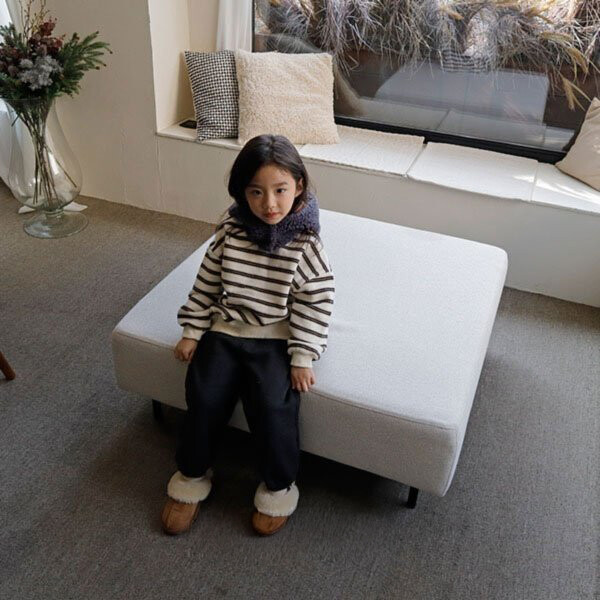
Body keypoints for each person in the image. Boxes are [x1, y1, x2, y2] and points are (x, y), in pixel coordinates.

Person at [161, 134, 335, 536]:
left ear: (299, 187)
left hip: (275, 338)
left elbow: (315, 302)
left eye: (280, 190)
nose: (269, 204)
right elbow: (207, 282)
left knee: (274, 406)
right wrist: (193, 330)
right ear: (242, 192)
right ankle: (191, 476)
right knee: (204, 395)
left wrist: (302, 356)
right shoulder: (231, 230)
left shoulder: (306, 242)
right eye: (256, 192)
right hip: (226, 329)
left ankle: (278, 487)